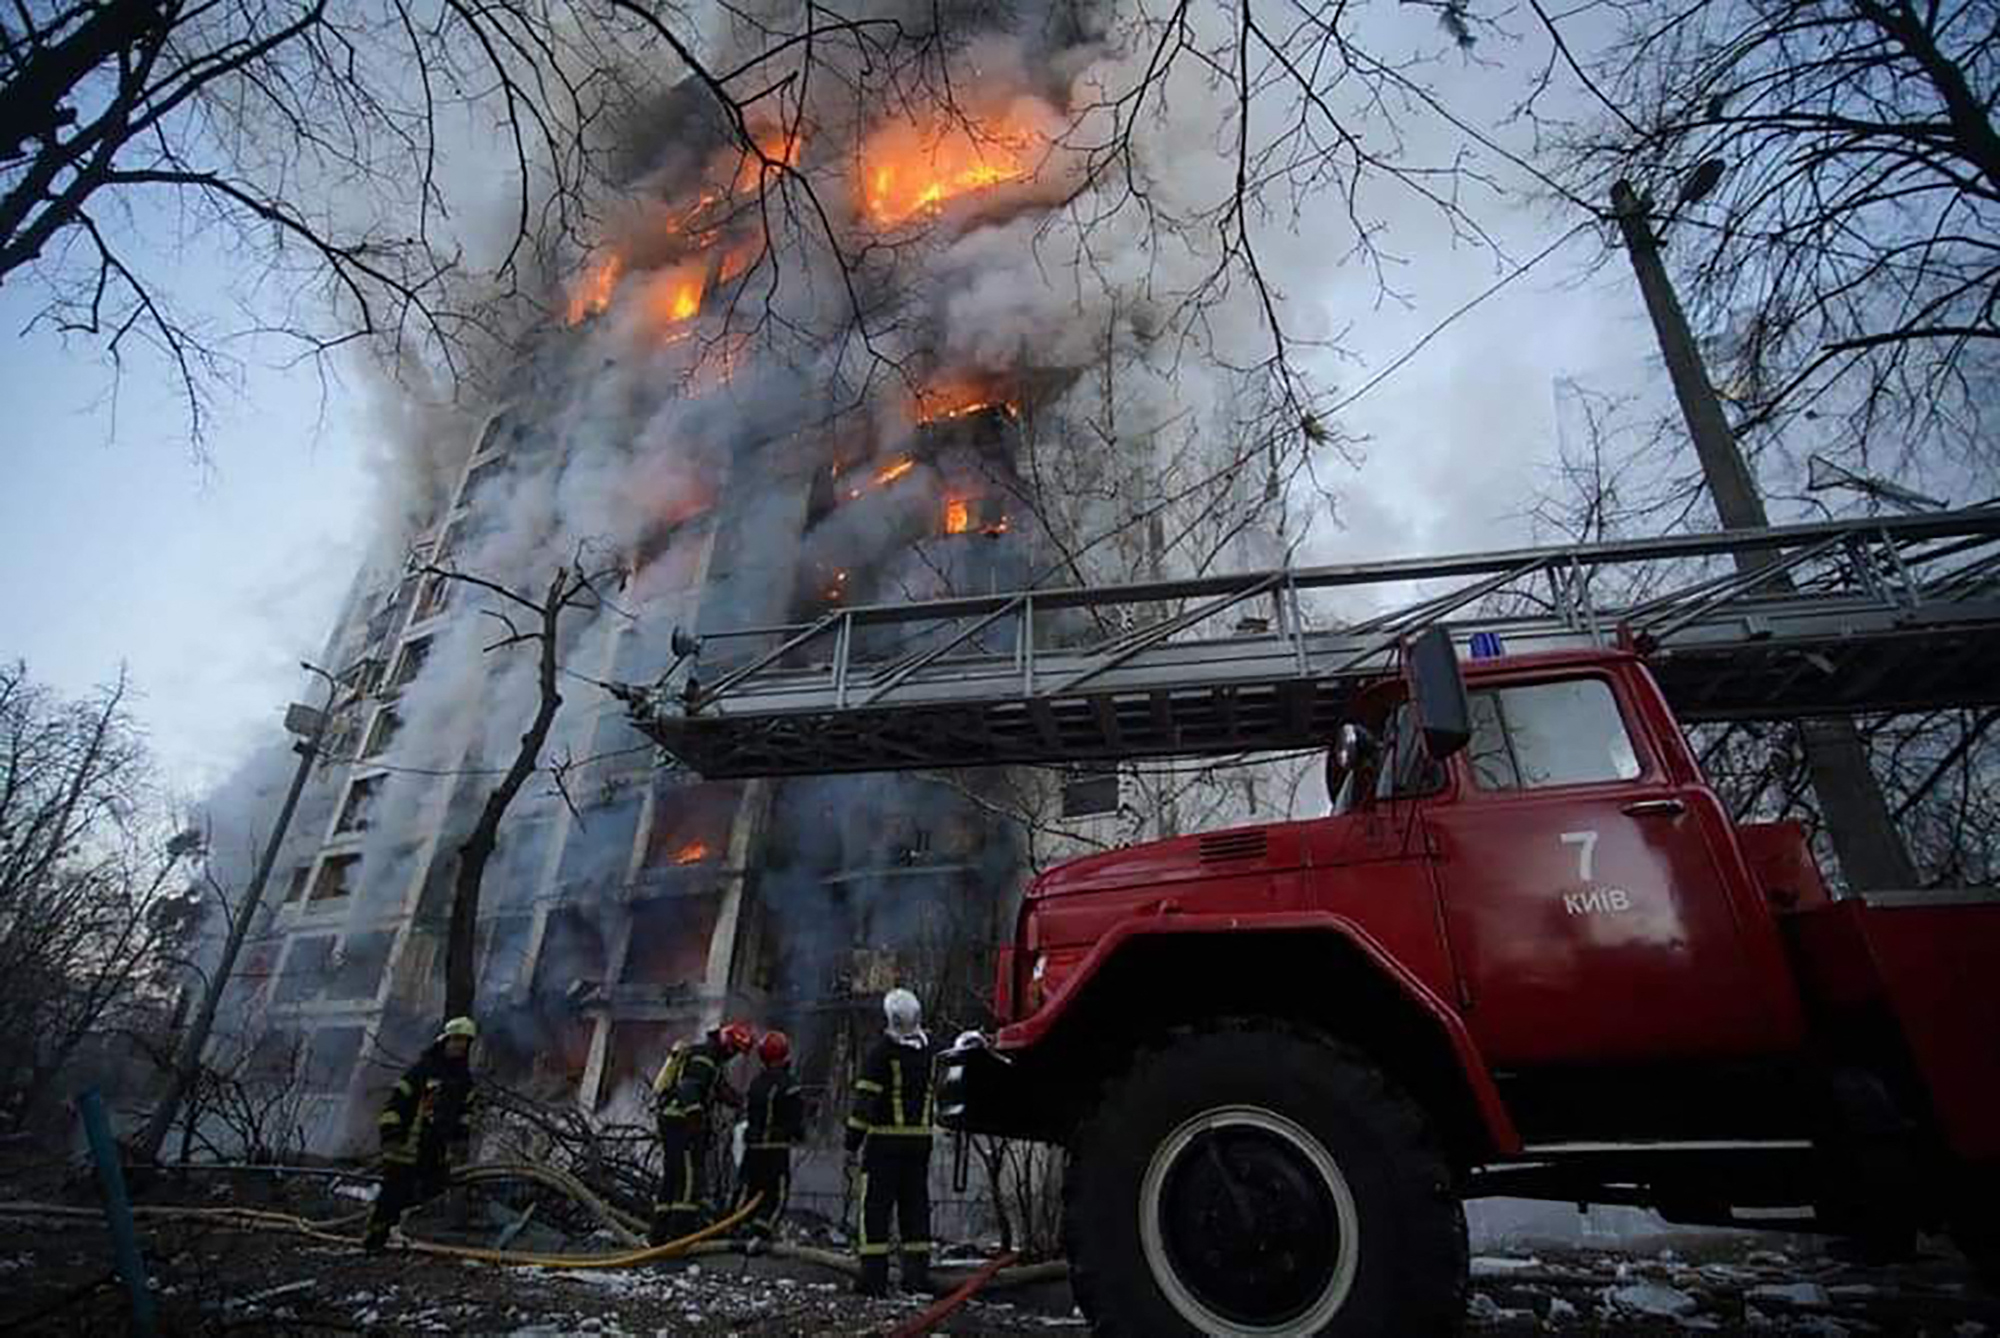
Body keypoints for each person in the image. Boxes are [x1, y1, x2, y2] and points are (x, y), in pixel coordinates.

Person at [846, 988, 938, 1296]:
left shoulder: (881, 1052)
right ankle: (916, 1279)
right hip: (920, 1144)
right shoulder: (931, 1050)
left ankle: (873, 1281)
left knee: (875, 1211)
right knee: (915, 1209)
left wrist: (851, 1143)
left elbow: (865, 1104)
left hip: (884, 1145)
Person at [363, 1016, 478, 1252]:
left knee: (432, 1189)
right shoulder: (424, 1069)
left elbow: (465, 1111)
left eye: (465, 1041)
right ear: (445, 1039)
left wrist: (460, 1137)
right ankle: (374, 1240)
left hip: (435, 1147)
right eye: (456, 1039)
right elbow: (397, 1101)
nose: (460, 1045)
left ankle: (402, 1226)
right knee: (392, 1195)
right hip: (407, 1145)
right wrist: (391, 1132)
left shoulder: (464, 1078)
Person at [651, 1019, 754, 1245]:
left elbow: (718, 1089)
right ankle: (679, 1236)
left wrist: (741, 1101)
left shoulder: (706, 1058)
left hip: (672, 1119)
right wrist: (696, 1121)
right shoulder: (705, 1059)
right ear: (727, 1045)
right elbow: (689, 1088)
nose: (735, 1056)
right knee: (689, 1178)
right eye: (735, 1050)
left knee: (672, 1177)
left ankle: (658, 1236)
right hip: (682, 1123)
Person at [735, 1029, 804, 1250]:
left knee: (749, 1190)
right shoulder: (790, 1084)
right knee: (776, 1195)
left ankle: (738, 1229)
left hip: (753, 1149)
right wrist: (799, 1134)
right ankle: (761, 1235)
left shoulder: (756, 1084)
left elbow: (749, 1113)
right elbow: (796, 1120)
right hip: (776, 1149)